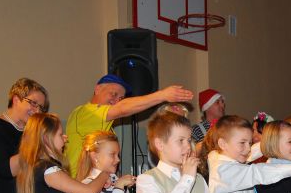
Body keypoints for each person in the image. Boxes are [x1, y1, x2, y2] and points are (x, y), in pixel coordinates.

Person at [65, 74, 194, 177]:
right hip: (80, 190)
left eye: (121, 99)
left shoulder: (107, 128)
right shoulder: (85, 112)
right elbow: (121, 109)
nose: (116, 101)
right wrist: (162, 95)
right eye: (113, 94)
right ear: (98, 89)